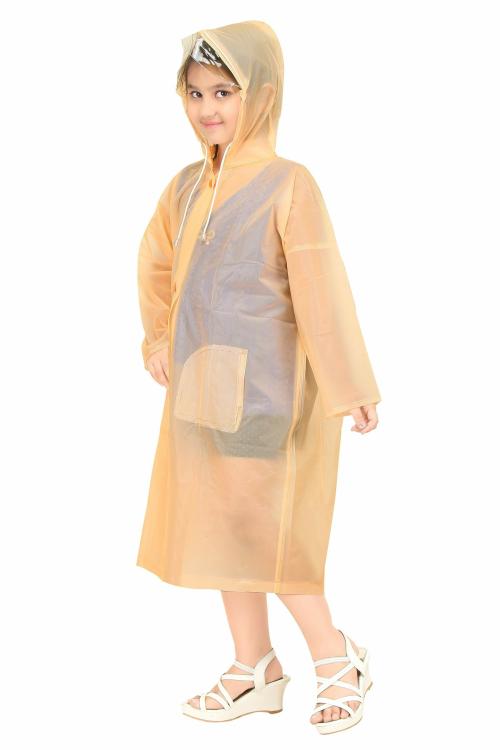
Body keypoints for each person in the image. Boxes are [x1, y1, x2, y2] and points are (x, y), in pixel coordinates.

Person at [136, 20, 381, 735]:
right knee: (222, 528)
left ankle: (337, 659)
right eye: (195, 93)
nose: (207, 108)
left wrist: (350, 384)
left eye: (224, 92)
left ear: (263, 95)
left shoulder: (287, 183)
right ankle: (256, 667)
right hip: (201, 388)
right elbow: (155, 265)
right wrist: (158, 339)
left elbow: (321, 289)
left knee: (273, 533)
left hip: (273, 392)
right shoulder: (186, 188)